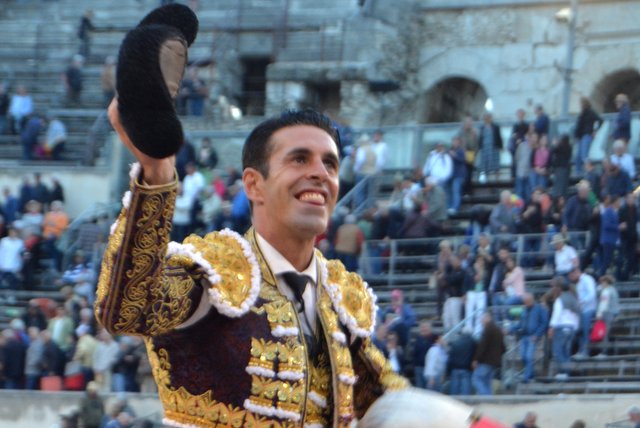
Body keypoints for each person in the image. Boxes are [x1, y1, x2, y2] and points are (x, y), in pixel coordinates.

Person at [97, 101, 409, 426]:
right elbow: (127, 309)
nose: (320, 173)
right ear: (253, 185)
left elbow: (390, 402)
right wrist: (156, 177)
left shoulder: (339, 296)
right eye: (300, 159)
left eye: (330, 164)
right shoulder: (215, 270)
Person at [548, 276, 580, 378]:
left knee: (558, 351)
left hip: (561, 327)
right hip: (572, 328)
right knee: (566, 352)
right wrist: (575, 328)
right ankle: (567, 373)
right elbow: (577, 315)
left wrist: (552, 327)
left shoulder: (560, 300)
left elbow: (557, 314)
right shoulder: (574, 299)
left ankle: (565, 371)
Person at [513, 293, 548, 382]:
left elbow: (544, 323)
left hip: (533, 336)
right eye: (525, 302)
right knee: (523, 356)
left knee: (529, 357)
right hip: (524, 336)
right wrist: (510, 329)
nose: (526, 304)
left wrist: (537, 335)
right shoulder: (524, 310)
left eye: (527, 302)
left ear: (532, 300)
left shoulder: (540, 309)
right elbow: (520, 324)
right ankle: (531, 374)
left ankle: (526, 377)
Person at [471, 312, 505, 395]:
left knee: (476, 379)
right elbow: (504, 348)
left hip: (485, 361)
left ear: (487, 319)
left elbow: (482, 346)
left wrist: (475, 359)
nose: (481, 322)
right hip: (495, 362)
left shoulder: (487, 329)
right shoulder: (498, 330)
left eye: (482, 320)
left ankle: (485, 398)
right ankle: (489, 400)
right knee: (487, 383)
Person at [569, 267, 597, 358]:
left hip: (588, 309)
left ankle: (585, 351)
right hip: (582, 310)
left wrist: (581, 302)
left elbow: (592, 294)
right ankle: (581, 350)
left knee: (585, 330)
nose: (570, 278)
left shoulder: (587, 279)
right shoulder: (578, 283)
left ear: (576, 272)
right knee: (579, 331)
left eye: (571, 275)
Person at [574, 97, 601, 174]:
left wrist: (595, 131)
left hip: (586, 135)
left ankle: (589, 171)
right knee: (579, 156)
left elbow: (600, 120)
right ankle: (578, 171)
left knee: (584, 156)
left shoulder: (590, 112)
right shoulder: (583, 113)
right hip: (581, 137)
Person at [596, 275, 619, 356]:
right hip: (612, 314)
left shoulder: (606, 291)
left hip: (607, 314)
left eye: (602, 282)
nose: (601, 284)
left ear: (605, 282)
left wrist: (599, 314)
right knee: (606, 333)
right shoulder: (613, 290)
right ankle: (605, 351)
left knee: (604, 334)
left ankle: (604, 352)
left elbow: (603, 304)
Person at [446, 329, 475, 395]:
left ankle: (453, 403)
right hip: (466, 368)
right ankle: (465, 403)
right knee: (466, 388)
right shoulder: (472, 342)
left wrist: (448, 371)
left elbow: (450, 358)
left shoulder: (455, 342)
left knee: (454, 388)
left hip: (455, 368)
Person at [477, 113, 503, 182]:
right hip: (485, 148)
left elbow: (499, 137)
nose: (487, 119)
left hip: (494, 147)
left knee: (496, 164)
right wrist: (479, 147)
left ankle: (497, 180)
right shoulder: (482, 127)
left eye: (488, 118)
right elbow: (480, 138)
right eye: (485, 118)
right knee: (484, 164)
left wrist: (500, 146)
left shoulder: (495, 127)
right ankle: (485, 180)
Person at [411, 320, 436, 389]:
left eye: (426, 327)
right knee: (420, 389)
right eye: (422, 327)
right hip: (419, 368)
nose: (424, 329)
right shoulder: (418, 339)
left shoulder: (435, 338)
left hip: (430, 369)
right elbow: (414, 354)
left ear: (430, 328)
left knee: (430, 390)